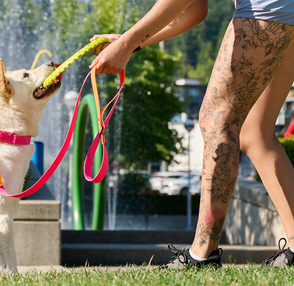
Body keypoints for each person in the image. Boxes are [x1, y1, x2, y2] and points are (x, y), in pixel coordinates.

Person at [91, 0, 294, 268]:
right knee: (254, 133)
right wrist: (132, 41)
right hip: (282, 12)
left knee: (217, 120)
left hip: (267, 10)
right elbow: (194, 10)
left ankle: (202, 254)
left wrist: (127, 43)